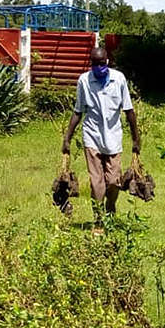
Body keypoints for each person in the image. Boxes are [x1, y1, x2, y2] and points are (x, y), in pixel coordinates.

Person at [60, 47, 141, 223]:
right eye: (94, 64)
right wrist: (67, 138)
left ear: (107, 61)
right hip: (92, 136)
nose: (98, 67)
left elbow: (128, 110)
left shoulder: (118, 79)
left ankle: (110, 208)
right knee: (97, 182)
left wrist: (136, 138)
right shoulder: (84, 81)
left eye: (101, 63)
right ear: (91, 64)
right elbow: (78, 111)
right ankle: (98, 219)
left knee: (113, 181)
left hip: (113, 137)